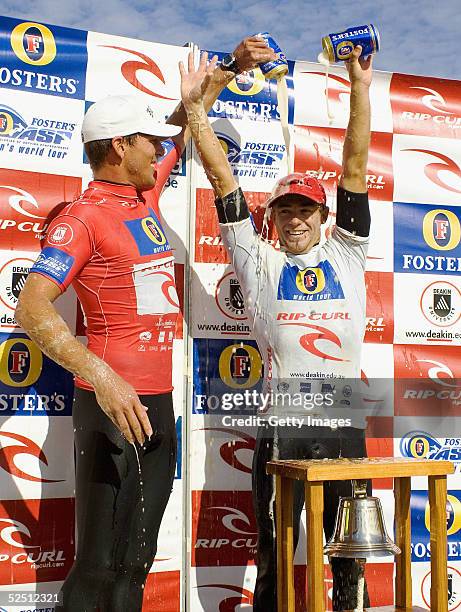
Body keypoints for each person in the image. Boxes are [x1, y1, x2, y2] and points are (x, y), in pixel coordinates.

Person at [15, 38, 275, 612]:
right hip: (112, 408)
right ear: (116, 147)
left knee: (136, 562)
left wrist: (230, 66)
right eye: (145, 140)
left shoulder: (141, 197)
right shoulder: (83, 218)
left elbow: (187, 121)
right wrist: (104, 379)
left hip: (155, 406)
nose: (158, 148)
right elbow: (30, 308)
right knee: (98, 566)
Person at [180, 45, 373, 610]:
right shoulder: (256, 259)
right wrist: (195, 114)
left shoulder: (348, 254)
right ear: (270, 219)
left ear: (323, 217)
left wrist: (359, 86)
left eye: (305, 210)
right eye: (284, 210)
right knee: (274, 558)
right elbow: (223, 179)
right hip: (283, 424)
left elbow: (355, 168)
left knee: (349, 561)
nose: (294, 218)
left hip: (344, 424)